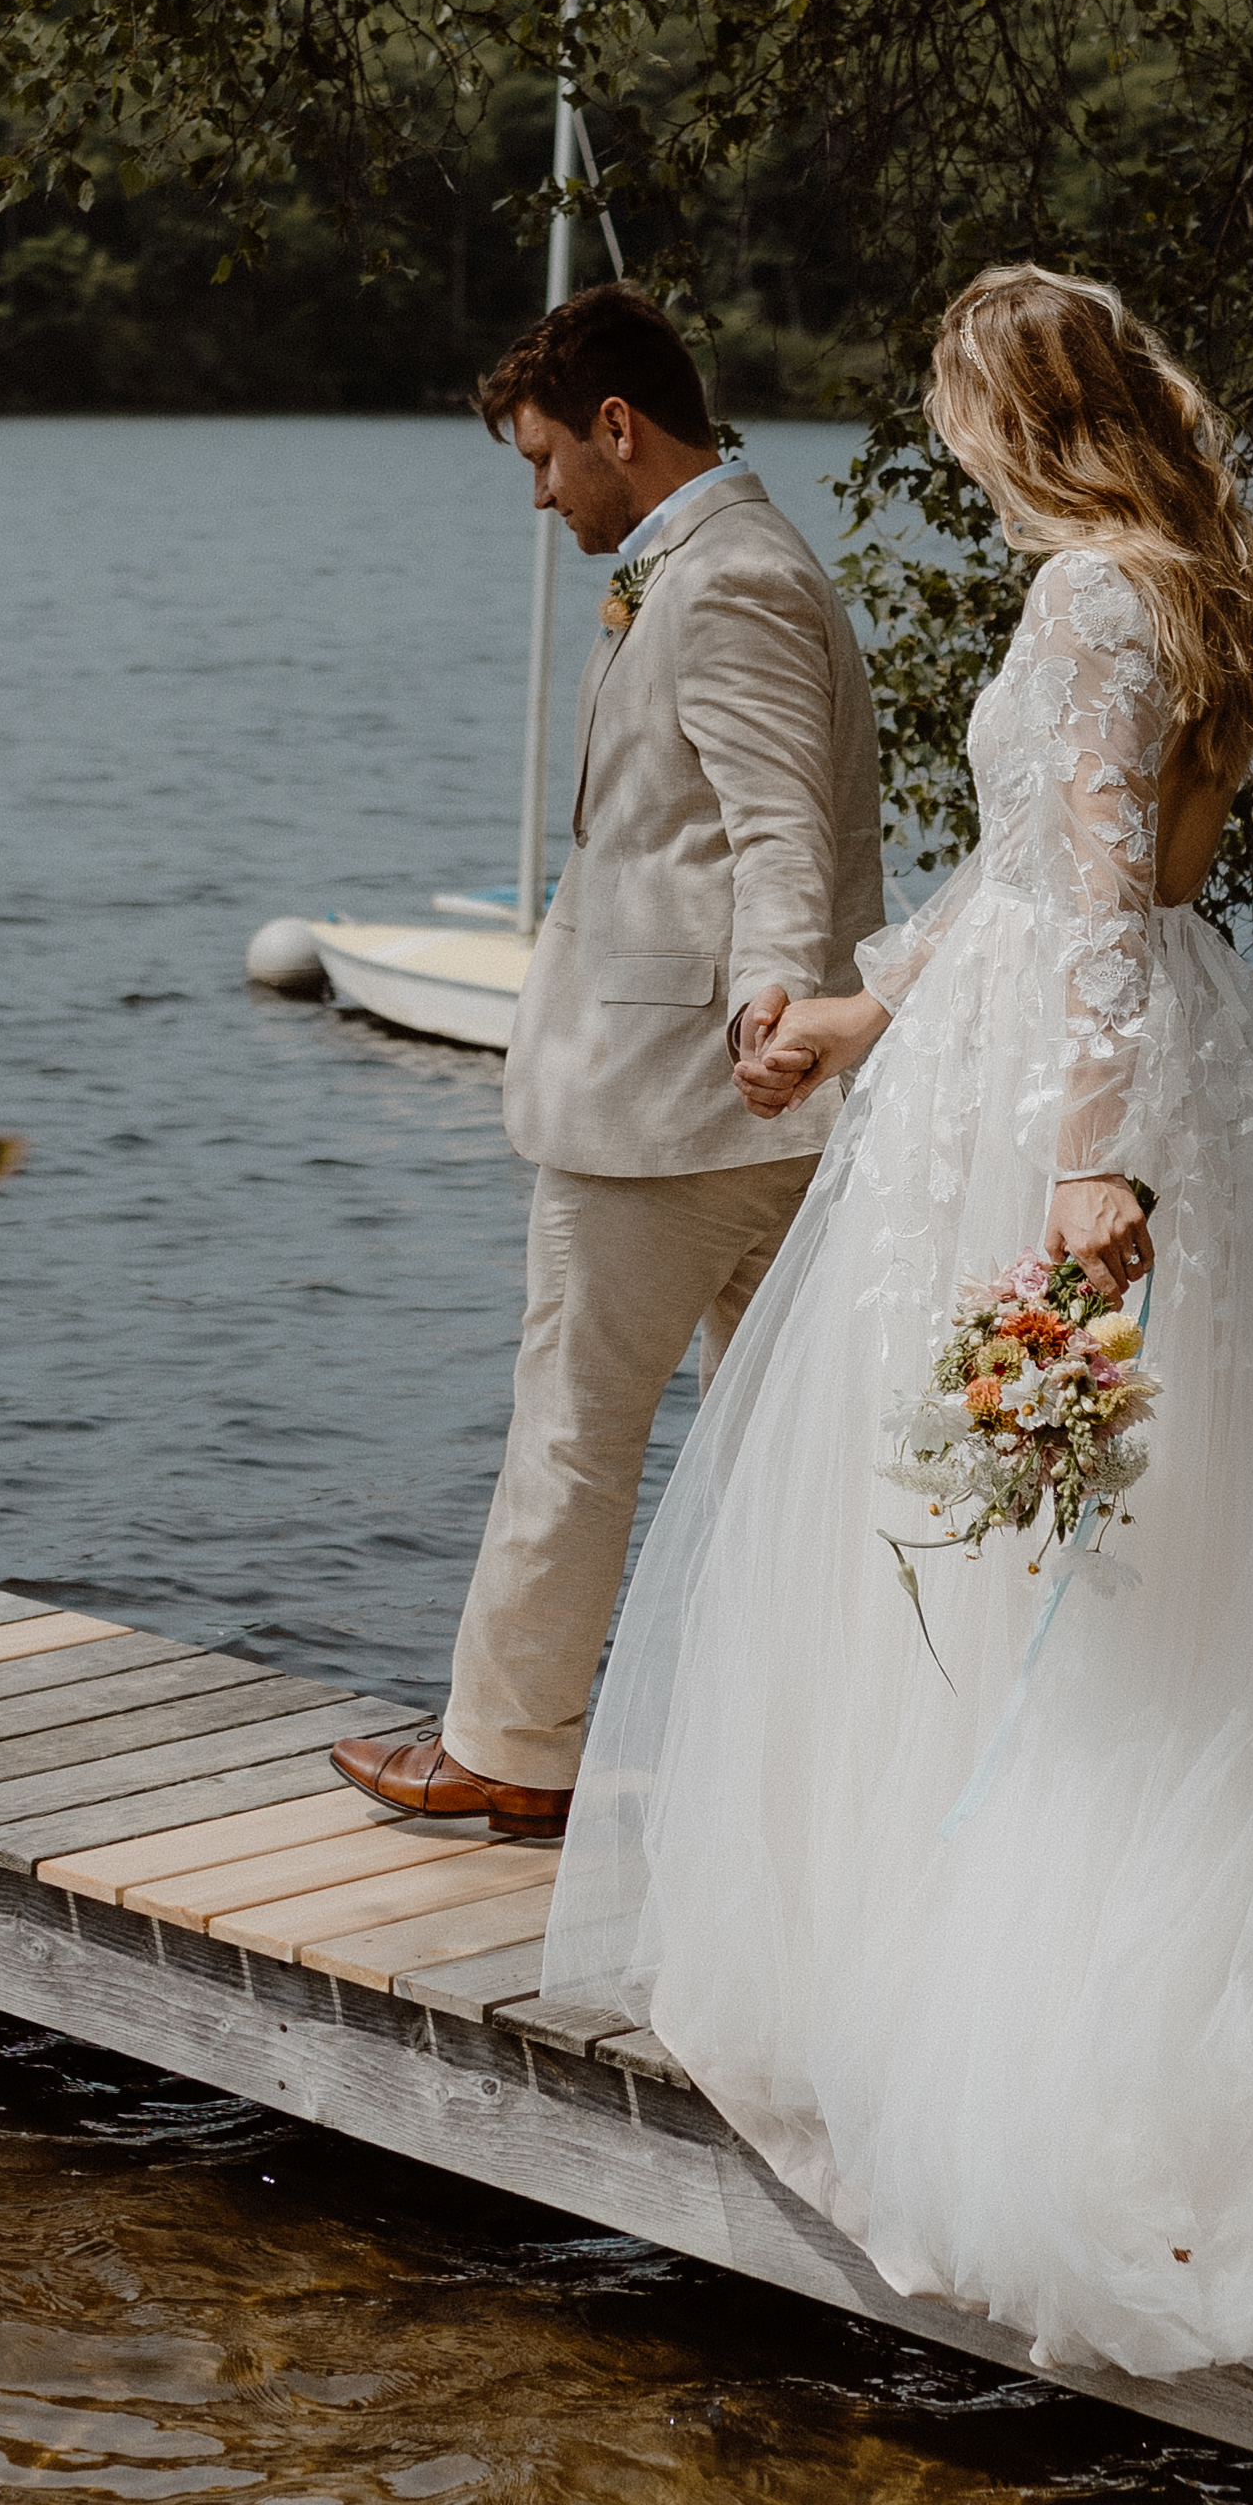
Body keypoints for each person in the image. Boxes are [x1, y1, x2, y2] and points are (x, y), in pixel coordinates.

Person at [539, 263, 1253, 2379]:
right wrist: (855, 1000)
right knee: (1094, 1524)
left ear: (1014, 410)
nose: (940, 444)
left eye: (950, 407)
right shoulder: (1165, 574)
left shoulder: (1101, 595)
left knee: (1048, 1546)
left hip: (1070, 1085)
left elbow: (1098, 902)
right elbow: (1026, 876)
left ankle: (1048, 2006)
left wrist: (1089, 1166)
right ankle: (975, 1942)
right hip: (1064, 1040)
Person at [335, 282, 886, 1846]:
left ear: (619, 428)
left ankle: (514, 1745)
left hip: (683, 1104)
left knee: (575, 1426)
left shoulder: (728, 583)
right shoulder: (725, 567)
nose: (538, 494)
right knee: (790, 1453)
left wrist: (773, 1014)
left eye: (542, 457)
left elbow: (782, 829)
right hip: (749, 1100)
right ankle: (816, 1760)